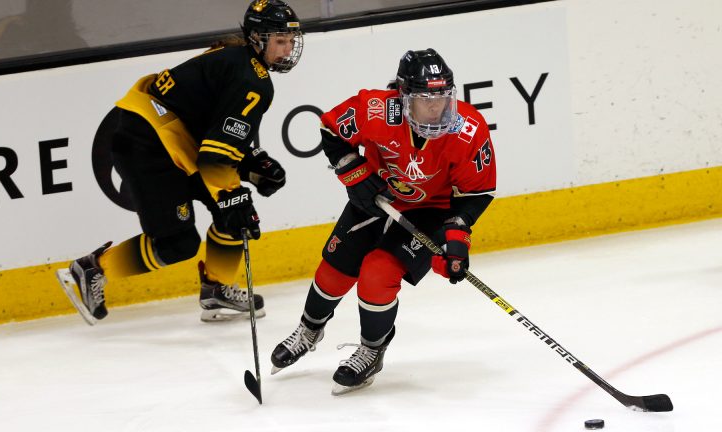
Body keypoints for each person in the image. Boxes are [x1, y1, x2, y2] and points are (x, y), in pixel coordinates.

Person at [55, 0, 303, 325]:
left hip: (163, 138)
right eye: (279, 41)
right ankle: (93, 268)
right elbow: (215, 155)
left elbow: (210, 131)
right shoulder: (253, 81)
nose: (286, 50)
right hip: (148, 146)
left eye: (290, 41)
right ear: (257, 38)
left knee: (231, 216)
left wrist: (248, 164)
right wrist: (232, 193)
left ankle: (218, 288)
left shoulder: (232, 58)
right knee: (179, 242)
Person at [270, 48, 497, 395]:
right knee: (334, 270)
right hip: (376, 195)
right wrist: (355, 174)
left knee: (377, 272)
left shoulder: (468, 129)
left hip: (431, 209)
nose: (437, 107)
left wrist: (456, 237)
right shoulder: (377, 109)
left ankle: (372, 350)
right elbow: (331, 129)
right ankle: (309, 329)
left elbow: (476, 193)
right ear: (404, 96)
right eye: (425, 99)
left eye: (443, 97)